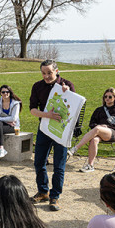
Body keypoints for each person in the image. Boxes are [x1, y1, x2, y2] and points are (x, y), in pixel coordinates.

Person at [28, 60, 75, 211]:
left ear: (56, 71)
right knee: (39, 162)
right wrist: (47, 115)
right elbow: (33, 110)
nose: (46, 76)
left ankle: (55, 197)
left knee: (59, 165)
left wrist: (68, 93)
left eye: (49, 72)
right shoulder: (37, 86)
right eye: (43, 73)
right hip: (44, 128)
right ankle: (43, 192)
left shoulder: (67, 85)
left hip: (61, 130)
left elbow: (73, 107)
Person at [67, 87, 115, 173]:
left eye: (110, 97)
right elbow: (91, 123)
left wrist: (107, 127)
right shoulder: (99, 110)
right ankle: (90, 165)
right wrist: (99, 126)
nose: (107, 98)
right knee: (94, 140)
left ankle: (75, 148)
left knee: (98, 129)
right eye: (105, 96)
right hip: (99, 133)